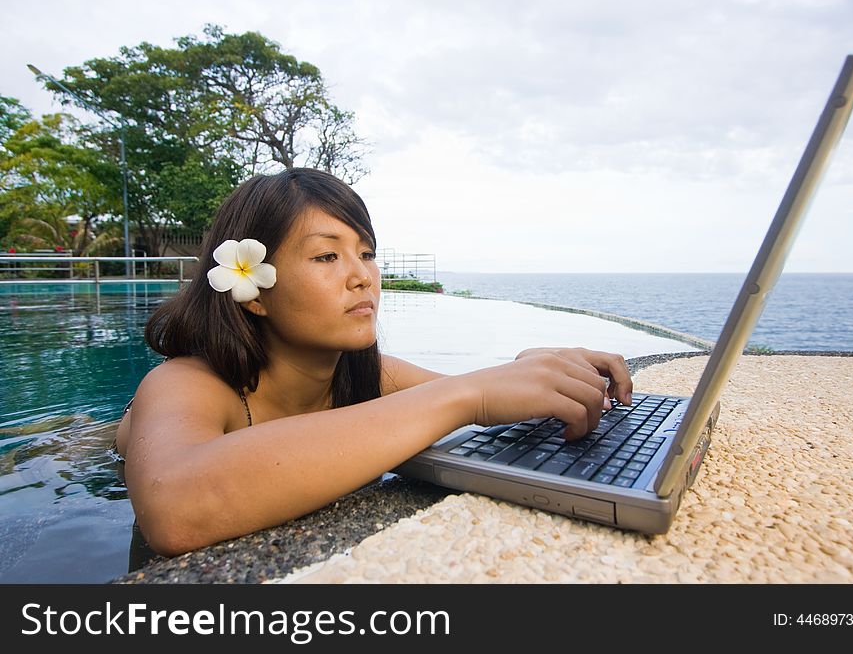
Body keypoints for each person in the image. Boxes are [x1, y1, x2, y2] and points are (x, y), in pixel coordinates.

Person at [114, 168, 633, 558]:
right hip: (84, 453)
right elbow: (174, 509)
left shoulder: (364, 373)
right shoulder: (188, 383)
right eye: (326, 256)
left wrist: (532, 367)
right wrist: (466, 394)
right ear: (254, 293)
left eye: (366, 253)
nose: (363, 276)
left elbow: (484, 401)